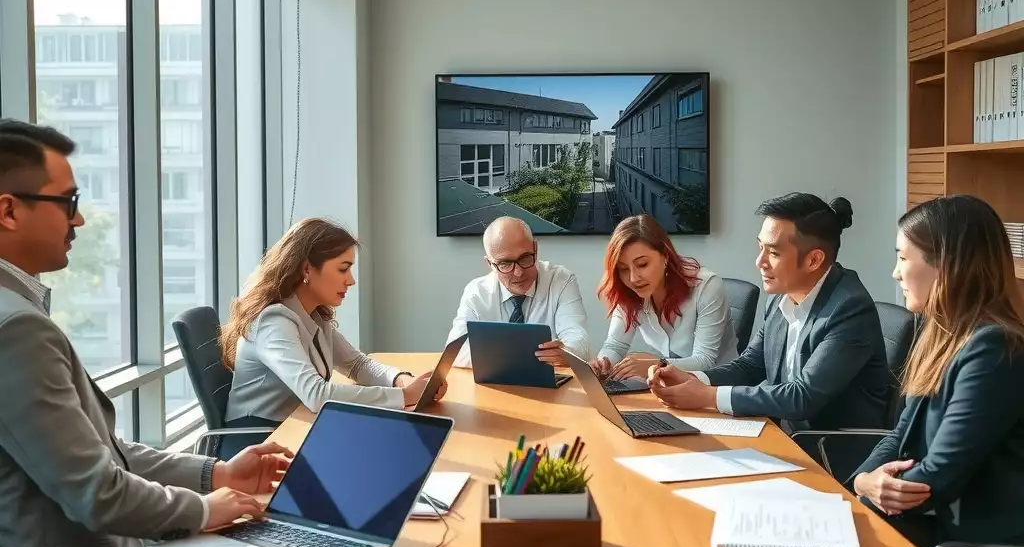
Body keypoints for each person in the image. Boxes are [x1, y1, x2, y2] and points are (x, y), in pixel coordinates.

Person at [0, 119, 290, 547]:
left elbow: (99, 454)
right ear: (9, 210)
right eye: (68, 201)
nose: (80, 218)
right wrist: (206, 510)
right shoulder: (16, 330)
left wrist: (216, 474)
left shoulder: (20, 315)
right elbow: (98, 494)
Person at [848, 196, 1024, 547]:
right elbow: (899, 437)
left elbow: (939, 477)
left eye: (902, 257)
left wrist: (872, 490)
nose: (895, 272)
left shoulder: (994, 346)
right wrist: (860, 482)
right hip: (935, 530)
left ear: (946, 264)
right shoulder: (944, 334)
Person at [649, 193, 888, 433]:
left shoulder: (850, 309)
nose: (759, 262)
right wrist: (694, 379)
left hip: (831, 451)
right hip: (786, 436)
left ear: (814, 260)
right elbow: (750, 366)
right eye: (760, 248)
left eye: (773, 253)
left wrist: (707, 396)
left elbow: (802, 397)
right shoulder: (780, 299)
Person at [223, 218, 438, 454]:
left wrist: (401, 380)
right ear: (307, 269)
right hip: (258, 443)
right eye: (343, 268)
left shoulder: (313, 313)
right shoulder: (273, 322)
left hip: (298, 426)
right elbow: (316, 395)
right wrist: (403, 396)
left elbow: (356, 364)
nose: (351, 280)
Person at [591, 215, 737, 381]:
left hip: (718, 385)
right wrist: (604, 362)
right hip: (672, 383)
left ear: (665, 255)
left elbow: (705, 360)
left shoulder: (707, 286)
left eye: (642, 265)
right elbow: (615, 345)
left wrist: (654, 365)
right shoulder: (629, 291)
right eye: (623, 269)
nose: (633, 278)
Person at [446, 216, 589, 367]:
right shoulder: (476, 293)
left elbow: (579, 342)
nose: (519, 272)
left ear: (536, 249)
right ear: (490, 264)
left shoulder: (561, 280)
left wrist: (568, 353)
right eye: (505, 264)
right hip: (495, 387)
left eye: (525, 258)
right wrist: (516, 355)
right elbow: (454, 353)